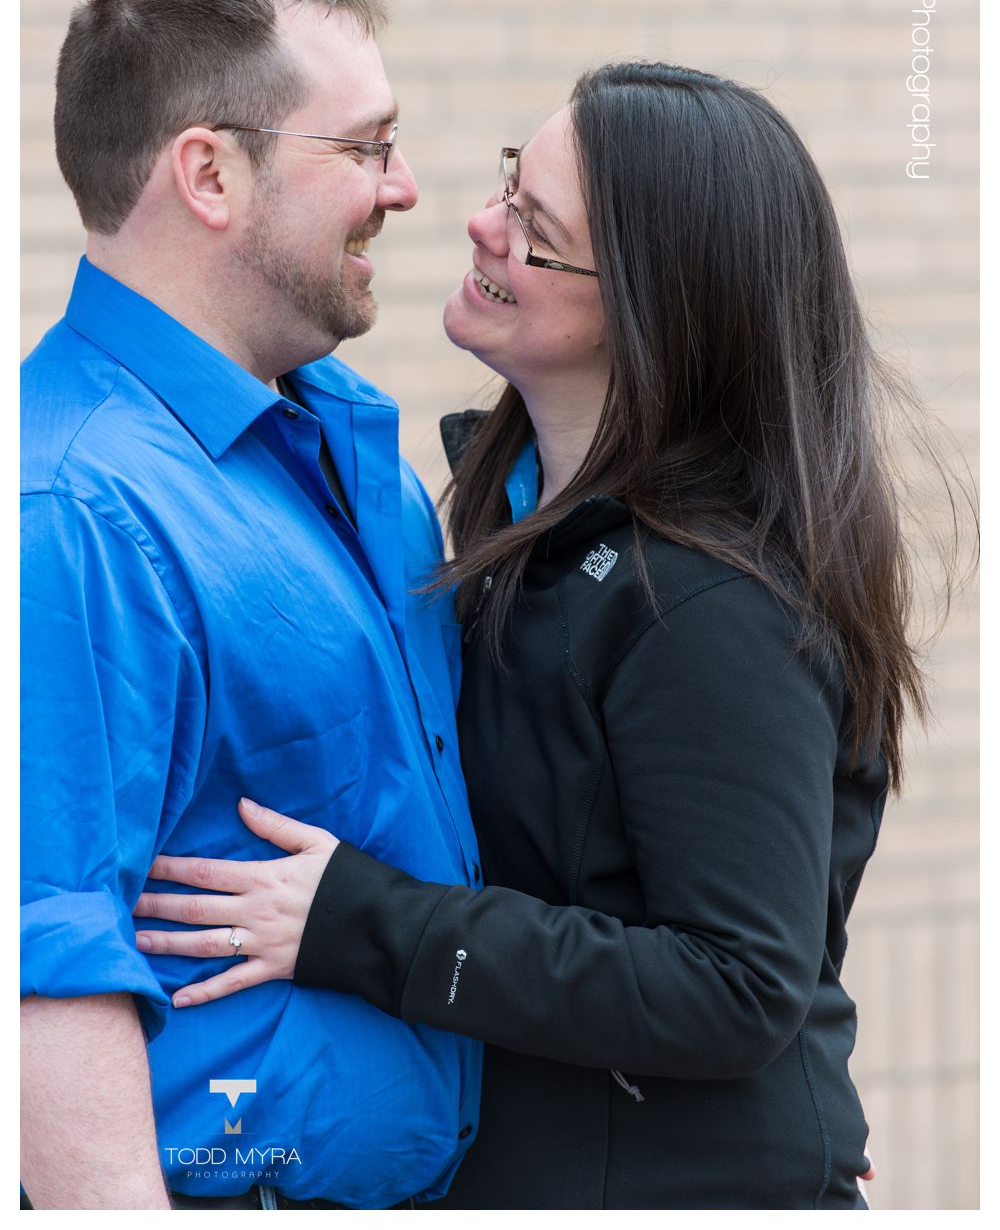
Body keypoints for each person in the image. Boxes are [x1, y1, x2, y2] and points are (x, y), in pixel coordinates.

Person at [130, 62, 959, 1209]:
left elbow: (738, 984)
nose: (481, 223)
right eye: (510, 184)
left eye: (536, 231)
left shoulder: (708, 605)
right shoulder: (516, 521)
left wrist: (363, 922)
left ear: (650, 310)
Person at [20, 0, 484, 1210]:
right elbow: (41, 968)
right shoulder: (70, 510)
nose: (401, 188)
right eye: (366, 147)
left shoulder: (350, 447)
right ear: (211, 173)